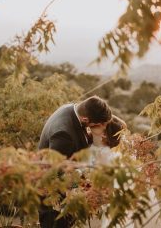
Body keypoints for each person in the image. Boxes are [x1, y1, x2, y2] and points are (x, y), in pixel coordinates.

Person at [38, 95, 112, 228]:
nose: (99, 128)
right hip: (53, 198)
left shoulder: (74, 109)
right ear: (85, 119)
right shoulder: (63, 134)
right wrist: (84, 186)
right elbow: (56, 174)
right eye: (96, 124)